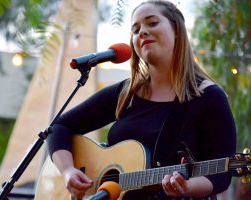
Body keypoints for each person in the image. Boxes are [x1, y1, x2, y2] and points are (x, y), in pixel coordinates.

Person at [46, 0, 237, 199]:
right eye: (135, 30)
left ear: (177, 31)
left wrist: (186, 186)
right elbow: (59, 127)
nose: (142, 32)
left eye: (152, 23)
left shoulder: (208, 97)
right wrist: (68, 171)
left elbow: (221, 173)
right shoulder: (126, 93)